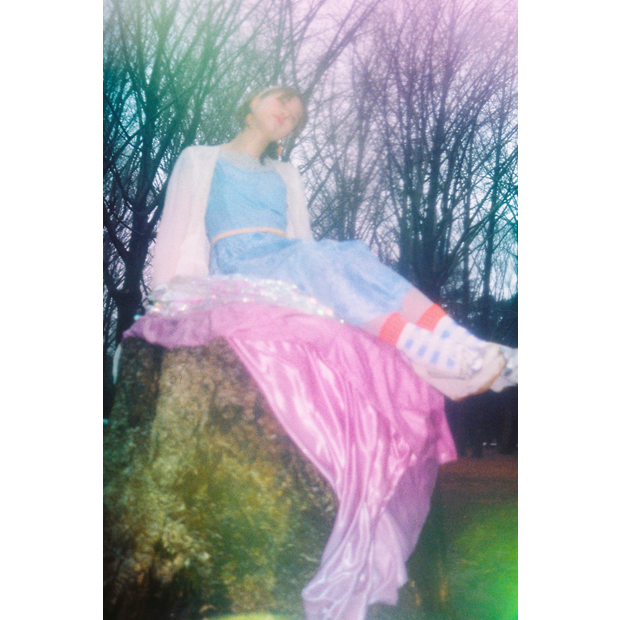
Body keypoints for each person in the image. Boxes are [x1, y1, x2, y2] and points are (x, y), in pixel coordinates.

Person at [150, 85, 517, 401]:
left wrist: (327, 272)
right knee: (320, 260)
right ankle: (439, 356)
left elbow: (302, 237)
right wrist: (164, 305)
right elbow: (174, 230)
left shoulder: (285, 173)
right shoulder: (200, 159)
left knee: (352, 257)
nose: (287, 115)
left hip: (285, 259)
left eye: (295, 117)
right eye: (282, 102)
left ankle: (469, 346)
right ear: (252, 102)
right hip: (240, 263)